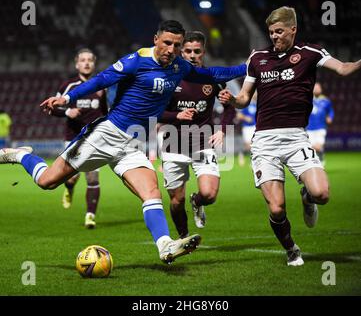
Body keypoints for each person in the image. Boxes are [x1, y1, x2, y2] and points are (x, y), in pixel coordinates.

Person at [0, 20, 246, 264]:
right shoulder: (136, 60)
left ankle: (165, 246)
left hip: (133, 144)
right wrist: (68, 97)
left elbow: (211, 74)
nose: (171, 50)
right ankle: (20, 154)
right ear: (156, 40)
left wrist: (246, 67)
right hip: (106, 135)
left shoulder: (179, 66)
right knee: (47, 182)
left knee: (151, 192)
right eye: (167, 43)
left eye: (177, 45)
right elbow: (101, 80)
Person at [219, 6, 361, 266]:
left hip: (297, 138)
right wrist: (231, 100)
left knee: (322, 194)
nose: (274, 37)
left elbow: (343, 68)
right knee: (276, 208)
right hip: (265, 142)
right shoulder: (258, 59)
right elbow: (244, 99)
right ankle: (291, 249)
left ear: (293, 30)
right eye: (271, 32)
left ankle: (307, 197)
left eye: (280, 32)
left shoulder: (310, 53)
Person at [158, 31, 240, 238]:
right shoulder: (168, 78)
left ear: (203, 52)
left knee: (209, 194)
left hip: (203, 142)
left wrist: (223, 130)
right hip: (172, 144)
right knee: (176, 201)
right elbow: (155, 112)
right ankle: (184, 237)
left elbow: (230, 106)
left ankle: (197, 201)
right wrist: (177, 115)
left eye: (197, 51)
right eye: (188, 51)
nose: (192, 55)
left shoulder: (212, 79)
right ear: (180, 52)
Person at [50, 48, 108, 228]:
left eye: (90, 60)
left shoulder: (101, 86)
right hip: (73, 138)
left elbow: (105, 111)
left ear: (94, 62)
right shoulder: (68, 87)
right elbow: (52, 107)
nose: (87, 63)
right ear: (77, 64)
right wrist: (68, 111)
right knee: (71, 178)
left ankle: (90, 215)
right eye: (83, 60)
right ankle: (69, 188)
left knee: (92, 178)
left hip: (94, 138)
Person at [306, 82, 334, 165]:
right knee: (312, 147)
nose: (317, 89)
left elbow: (331, 111)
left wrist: (330, 117)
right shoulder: (307, 99)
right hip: (309, 128)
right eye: (315, 87)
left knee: (318, 147)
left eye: (319, 87)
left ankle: (320, 160)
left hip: (321, 127)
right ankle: (316, 161)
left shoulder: (326, 101)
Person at [237, 92, 257, 166]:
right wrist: (246, 118)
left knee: (254, 145)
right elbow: (239, 115)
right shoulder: (246, 105)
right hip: (247, 127)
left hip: (254, 127)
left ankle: (252, 161)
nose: (256, 95)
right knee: (248, 146)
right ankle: (241, 154)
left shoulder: (257, 104)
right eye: (254, 93)